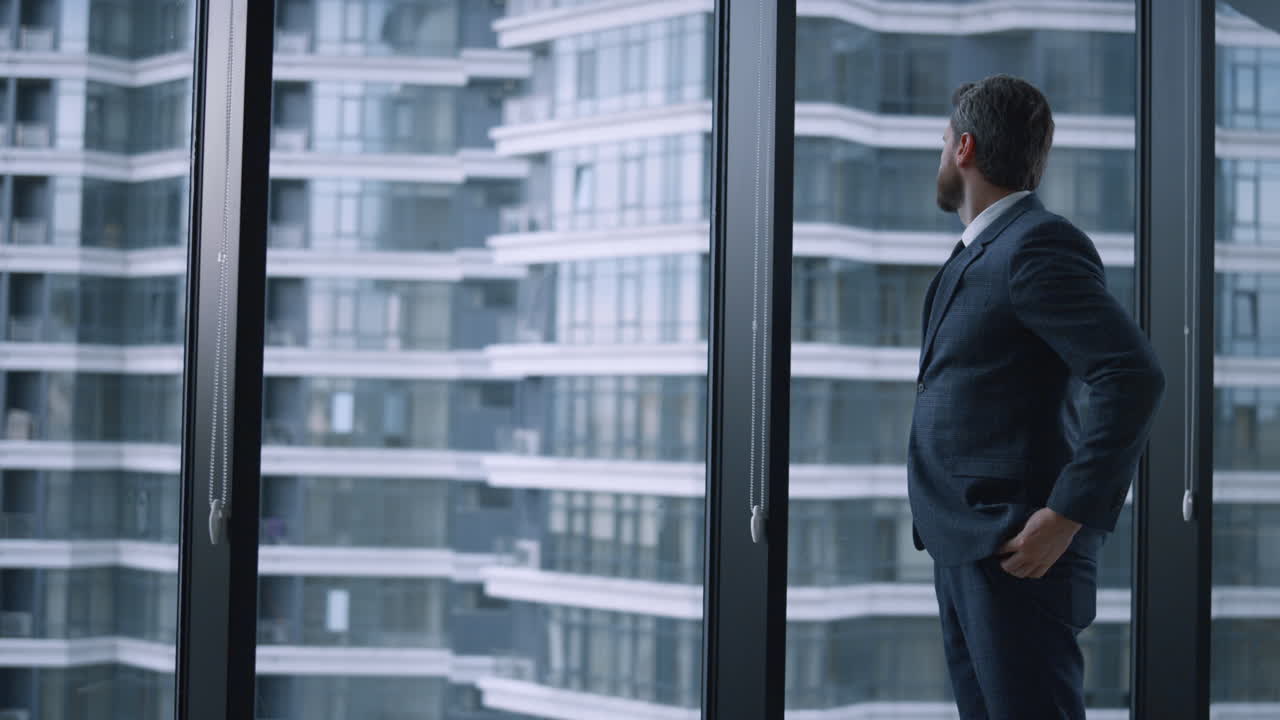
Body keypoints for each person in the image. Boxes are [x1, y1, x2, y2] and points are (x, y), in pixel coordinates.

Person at [909, 74, 1165, 719]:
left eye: (942, 142)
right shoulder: (982, 251)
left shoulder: (1036, 245)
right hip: (967, 543)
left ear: (963, 148)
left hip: (1018, 548)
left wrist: (1067, 515)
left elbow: (1131, 375)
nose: (939, 156)